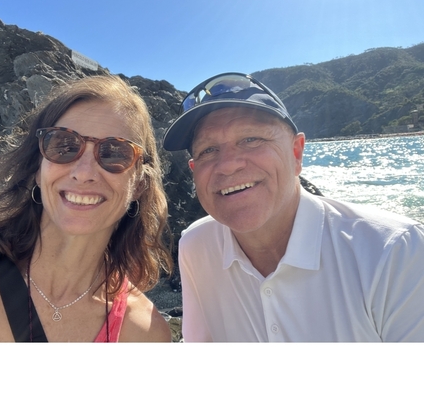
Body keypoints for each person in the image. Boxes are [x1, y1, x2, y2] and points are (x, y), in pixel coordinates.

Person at [162, 72, 424, 342]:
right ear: (193, 170)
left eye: (251, 139)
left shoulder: (393, 252)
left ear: (296, 153)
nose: (228, 165)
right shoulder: (197, 247)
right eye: (208, 150)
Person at [0, 74, 172, 343]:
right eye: (64, 145)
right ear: (37, 169)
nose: (83, 173)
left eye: (114, 153)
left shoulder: (144, 333)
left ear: (140, 185)